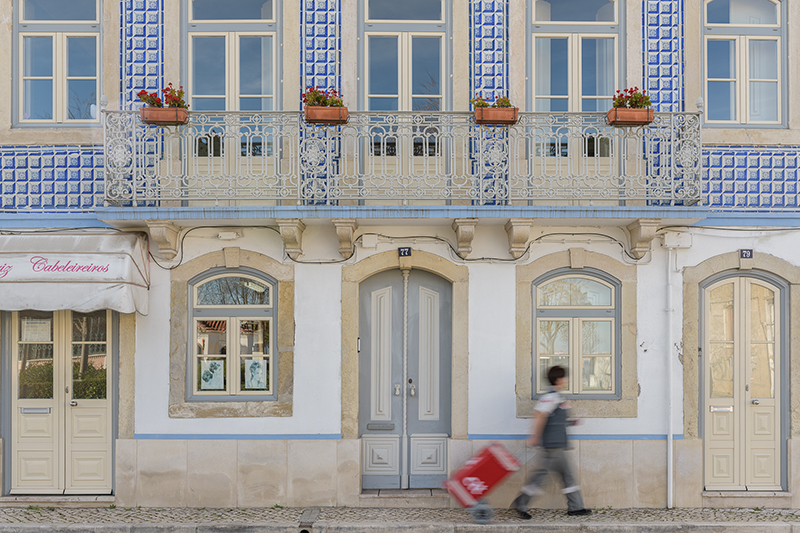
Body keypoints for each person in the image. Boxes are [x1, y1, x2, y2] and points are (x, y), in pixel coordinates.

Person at [511, 365, 591, 519]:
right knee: (543, 477)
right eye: (565, 377)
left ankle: (575, 507)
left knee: (566, 476)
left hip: (558, 445)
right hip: (553, 446)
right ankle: (521, 503)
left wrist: (571, 422)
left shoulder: (558, 397)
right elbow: (539, 414)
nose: (567, 380)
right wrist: (535, 436)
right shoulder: (551, 397)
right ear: (559, 379)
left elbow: (556, 419)